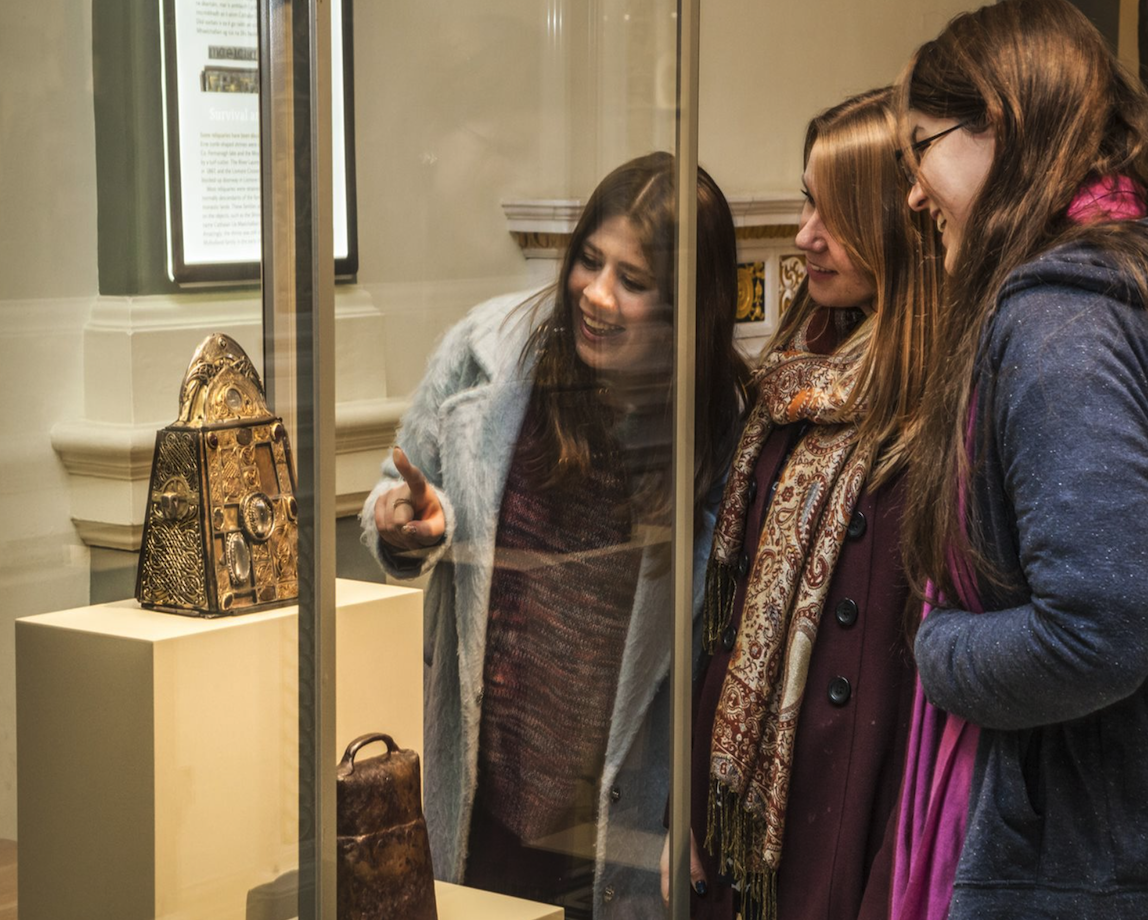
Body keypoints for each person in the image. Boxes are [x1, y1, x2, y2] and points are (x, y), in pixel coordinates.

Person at [893, 2, 1148, 919]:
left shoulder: (1057, 323)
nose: (912, 192)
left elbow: (1096, 629)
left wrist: (938, 648)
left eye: (920, 149)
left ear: (1000, 122)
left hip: (1096, 872)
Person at [360, 151, 750, 919]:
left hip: (625, 821)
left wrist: (703, 812)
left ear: (687, 306)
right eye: (589, 262)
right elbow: (394, 489)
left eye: (633, 282)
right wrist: (407, 524)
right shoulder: (483, 354)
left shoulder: (728, 430)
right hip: (486, 793)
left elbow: (733, 658)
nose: (596, 295)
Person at [672, 87, 941, 920]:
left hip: (857, 816)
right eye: (804, 200)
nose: (803, 237)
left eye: (834, 212)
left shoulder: (942, 415)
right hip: (743, 821)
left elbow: (921, 703)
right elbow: (724, 621)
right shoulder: (792, 385)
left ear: (895, 223)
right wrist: (688, 801)